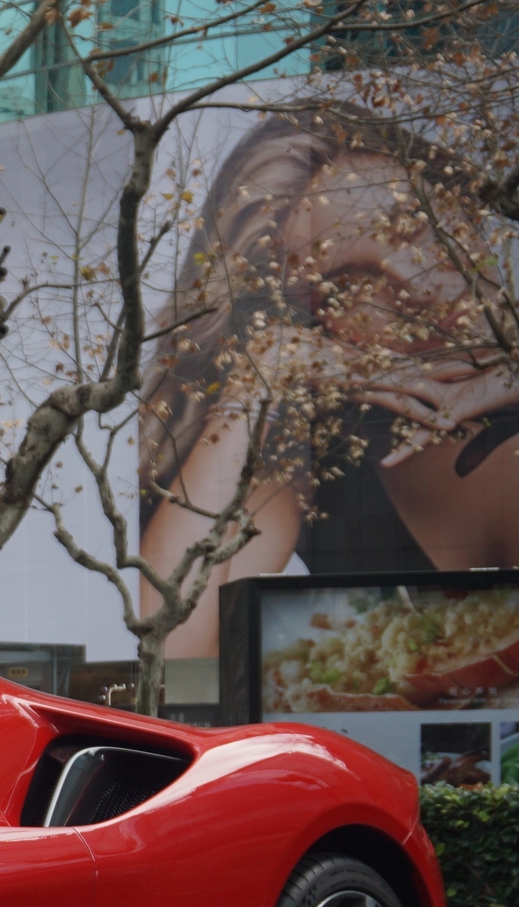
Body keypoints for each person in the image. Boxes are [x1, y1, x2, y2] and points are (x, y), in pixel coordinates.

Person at [142, 109, 519, 659]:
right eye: (352, 283)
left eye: (416, 229)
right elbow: (170, 646)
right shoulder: (327, 456)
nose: (416, 287)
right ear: (310, 323)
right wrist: (256, 378)